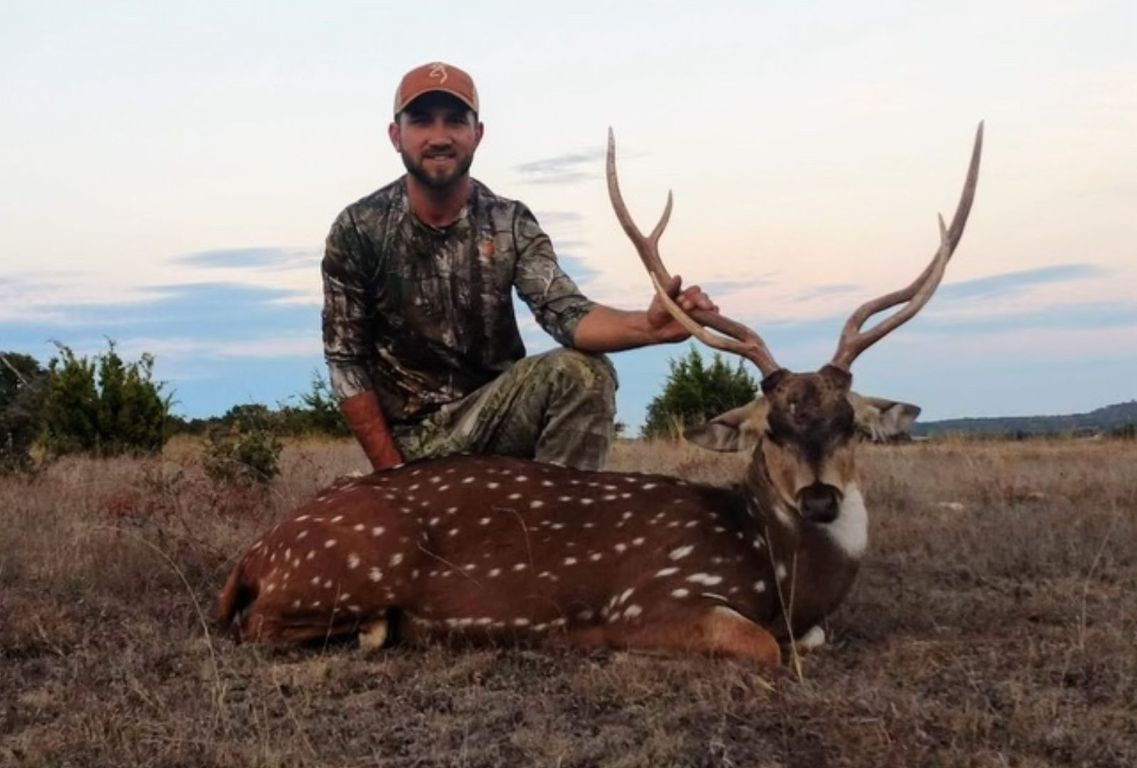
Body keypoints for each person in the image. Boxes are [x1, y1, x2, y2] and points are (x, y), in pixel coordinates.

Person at [322, 62, 716, 472]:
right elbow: (346, 362)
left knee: (584, 373)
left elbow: (566, 313)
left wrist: (648, 326)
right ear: (395, 135)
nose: (439, 137)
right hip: (407, 443)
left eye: (455, 121)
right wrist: (393, 476)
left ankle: (557, 527)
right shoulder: (357, 229)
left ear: (477, 134)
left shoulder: (511, 222)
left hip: (495, 420)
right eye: (422, 121)